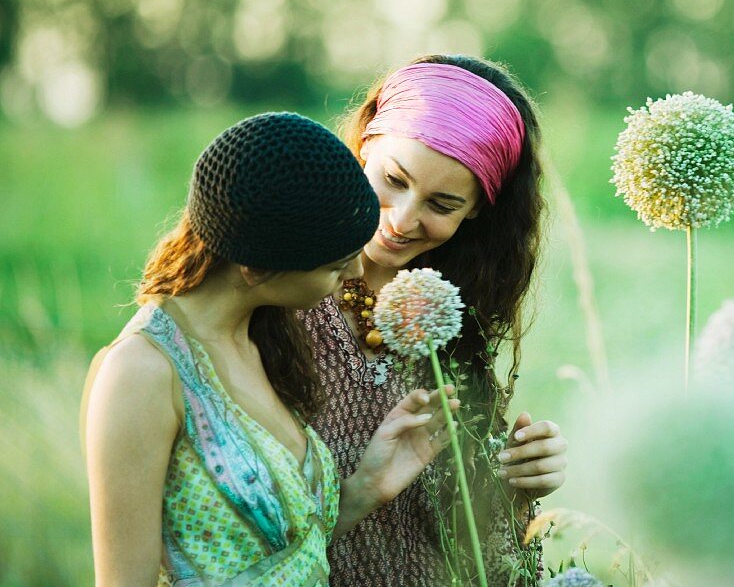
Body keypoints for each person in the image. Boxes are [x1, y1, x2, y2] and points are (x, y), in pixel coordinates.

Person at [82, 112, 458, 586]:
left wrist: (366, 487)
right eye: (336, 265)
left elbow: (282, 558)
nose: (356, 276)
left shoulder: (263, 339)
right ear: (255, 269)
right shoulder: (143, 372)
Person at [301, 55, 568, 586]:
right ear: (364, 146)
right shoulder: (281, 295)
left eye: (442, 204)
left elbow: (458, 527)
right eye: (393, 180)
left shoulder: (449, 313)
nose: (401, 220)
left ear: (476, 212)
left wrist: (519, 479)